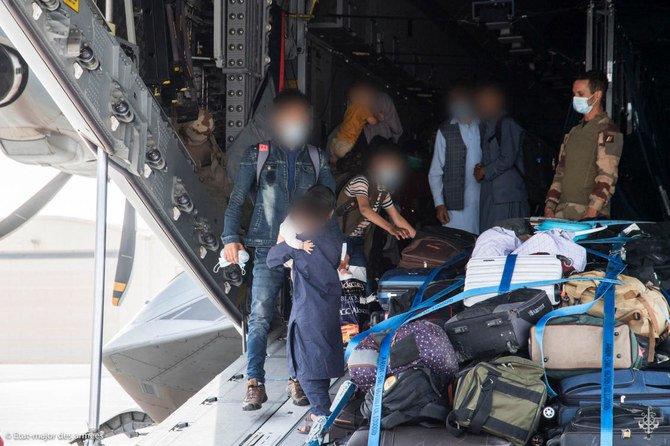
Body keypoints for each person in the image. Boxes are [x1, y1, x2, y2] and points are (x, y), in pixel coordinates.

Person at [221, 89, 336, 411]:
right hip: (265, 246)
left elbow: (329, 202)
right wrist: (231, 237)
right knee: (259, 315)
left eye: (302, 118)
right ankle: (254, 382)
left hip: (304, 248)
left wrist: (337, 253)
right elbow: (237, 198)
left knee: (299, 317)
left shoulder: (316, 158)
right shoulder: (256, 154)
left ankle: (297, 379)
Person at [266, 185, 345, 432]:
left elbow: (271, 259)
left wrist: (293, 245)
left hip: (307, 311)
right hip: (329, 307)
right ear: (329, 214)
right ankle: (317, 413)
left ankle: (321, 415)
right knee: (319, 358)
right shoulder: (335, 236)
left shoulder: (302, 241)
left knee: (305, 367)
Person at [544, 70, 623, 220]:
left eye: (580, 94)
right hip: (562, 214)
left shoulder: (608, 131)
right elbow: (560, 173)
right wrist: (550, 206)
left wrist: (592, 211)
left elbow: (607, 176)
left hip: (587, 216)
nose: (576, 98)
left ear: (597, 95)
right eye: (574, 94)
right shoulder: (573, 132)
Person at [336, 143, 416, 274]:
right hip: (341, 240)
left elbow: (397, 218)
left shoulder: (382, 191)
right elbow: (365, 209)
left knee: (361, 285)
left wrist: (419, 238)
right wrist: (391, 228)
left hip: (359, 241)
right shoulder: (361, 181)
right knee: (345, 282)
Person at [475, 83, 529, 232]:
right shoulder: (486, 124)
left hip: (507, 196)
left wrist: (485, 171)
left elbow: (508, 158)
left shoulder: (507, 123)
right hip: (491, 195)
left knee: (507, 239)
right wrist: (481, 168)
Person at [428, 84, 482, 234]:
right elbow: (435, 172)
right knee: (456, 248)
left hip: (483, 204)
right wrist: (439, 204)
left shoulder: (483, 127)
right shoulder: (445, 130)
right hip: (454, 209)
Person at [329, 82, 380, 161]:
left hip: (336, 141)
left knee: (335, 168)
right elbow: (373, 122)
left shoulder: (350, 107)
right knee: (347, 166)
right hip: (346, 144)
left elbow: (354, 121)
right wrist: (379, 118)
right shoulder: (363, 108)